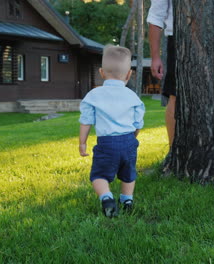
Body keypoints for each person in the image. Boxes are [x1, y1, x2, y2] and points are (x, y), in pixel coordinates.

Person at [79, 45, 145, 218]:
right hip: (129, 142)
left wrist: (82, 143)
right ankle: (127, 200)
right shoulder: (133, 96)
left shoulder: (93, 95)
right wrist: (133, 136)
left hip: (106, 143)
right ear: (129, 74)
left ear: (101, 72)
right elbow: (138, 122)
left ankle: (107, 198)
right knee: (128, 174)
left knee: (99, 175)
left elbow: (86, 121)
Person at [147, 0, 176, 148]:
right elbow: (155, 17)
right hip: (178, 40)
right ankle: (173, 151)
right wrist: (155, 57)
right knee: (175, 96)